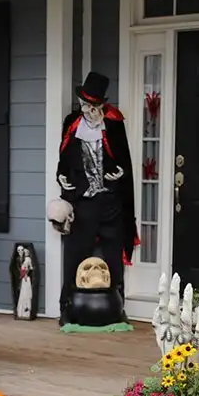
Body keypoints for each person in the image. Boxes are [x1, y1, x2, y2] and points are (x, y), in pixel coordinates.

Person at [56, 72, 138, 326]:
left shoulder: (113, 124)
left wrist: (120, 174)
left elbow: (123, 160)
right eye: (84, 105)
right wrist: (61, 177)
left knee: (113, 256)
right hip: (83, 201)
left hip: (110, 201)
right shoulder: (72, 123)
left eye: (91, 106)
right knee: (74, 254)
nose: (87, 111)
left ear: (101, 105)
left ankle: (117, 308)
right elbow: (64, 158)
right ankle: (67, 307)